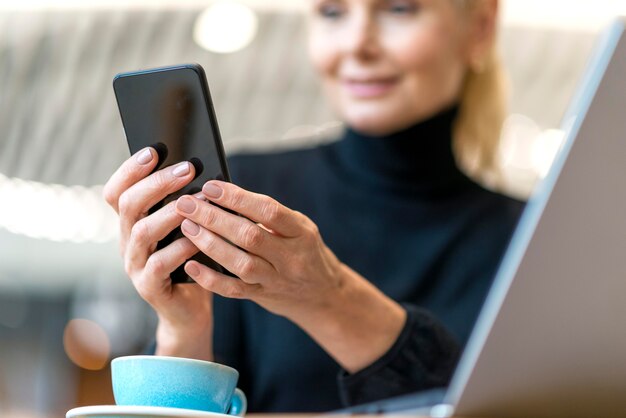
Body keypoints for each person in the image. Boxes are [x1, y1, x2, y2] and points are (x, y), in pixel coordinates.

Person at [103, 0, 523, 412]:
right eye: (333, 12)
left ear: (481, 28)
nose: (357, 44)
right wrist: (183, 325)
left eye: (399, 9)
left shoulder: (532, 238)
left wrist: (330, 296)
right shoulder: (247, 198)